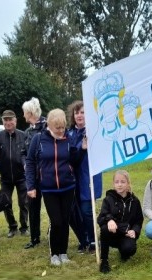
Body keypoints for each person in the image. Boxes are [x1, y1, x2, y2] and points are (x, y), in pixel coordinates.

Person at [25, 108, 84, 266]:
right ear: (49, 125)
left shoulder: (68, 139)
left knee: (65, 221)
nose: (60, 131)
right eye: (57, 127)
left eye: (63, 127)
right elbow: (30, 163)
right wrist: (31, 186)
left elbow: (74, 160)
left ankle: (63, 253)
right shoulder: (38, 139)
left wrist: (82, 149)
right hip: (48, 188)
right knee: (56, 221)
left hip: (68, 187)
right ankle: (54, 254)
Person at [67, 101, 102, 253]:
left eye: (82, 112)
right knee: (76, 212)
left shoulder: (93, 132)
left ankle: (94, 240)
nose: (79, 115)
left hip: (88, 177)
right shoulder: (69, 134)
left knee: (87, 210)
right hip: (72, 178)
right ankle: (84, 239)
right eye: (76, 113)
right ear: (72, 116)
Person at [0, 110, 28, 238]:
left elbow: (28, 155)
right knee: (6, 203)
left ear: (15, 121)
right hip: (5, 177)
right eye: (5, 120)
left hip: (22, 176)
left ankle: (24, 227)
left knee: (24, 203)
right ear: (3, 122)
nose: (8, 122)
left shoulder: (24, 136)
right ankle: (12, 227)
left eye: (10, 119)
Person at [97, 170, 143, 273]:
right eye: (117, 182)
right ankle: (104, 260)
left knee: (129, 249)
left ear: (128, 184)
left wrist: (134, 231)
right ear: (113, 184)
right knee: (104, 228)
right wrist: (109, 220)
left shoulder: (134, 201)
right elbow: (101, 218)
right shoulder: (108, 199)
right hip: (112, 234)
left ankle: (123, 251)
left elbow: (139, 220)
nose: (119, 185)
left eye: (123, 182)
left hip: (126, 234)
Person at [22, 97, 47, 249]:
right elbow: (23, 152)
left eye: (24, 112)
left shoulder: (46, 127)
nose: (23, 115)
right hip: (32, 177)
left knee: (52, 207)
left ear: (30, 112)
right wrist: (25, 163)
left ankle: (53, 233)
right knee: (33, 207)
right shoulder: (27, 132)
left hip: (47, 174)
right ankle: (34, 237)